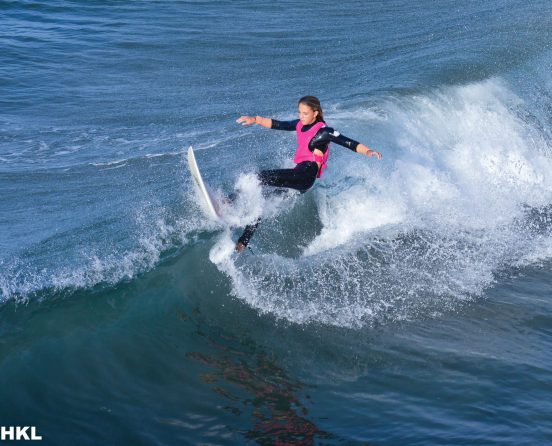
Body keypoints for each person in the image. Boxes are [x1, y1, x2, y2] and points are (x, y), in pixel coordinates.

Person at [234, 95, 382, 252]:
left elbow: (349, 142)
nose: (301, 116)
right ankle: (243, 242)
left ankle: (230, 201)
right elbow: (280, 124)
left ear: (315, 113)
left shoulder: (325, 131)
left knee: (257, 178)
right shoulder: (300, 125)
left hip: (305, 176)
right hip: (299, 177)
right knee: (263, 201)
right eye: (299, 112)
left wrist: (368, 151)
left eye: (305, 113)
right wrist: (256, 119)